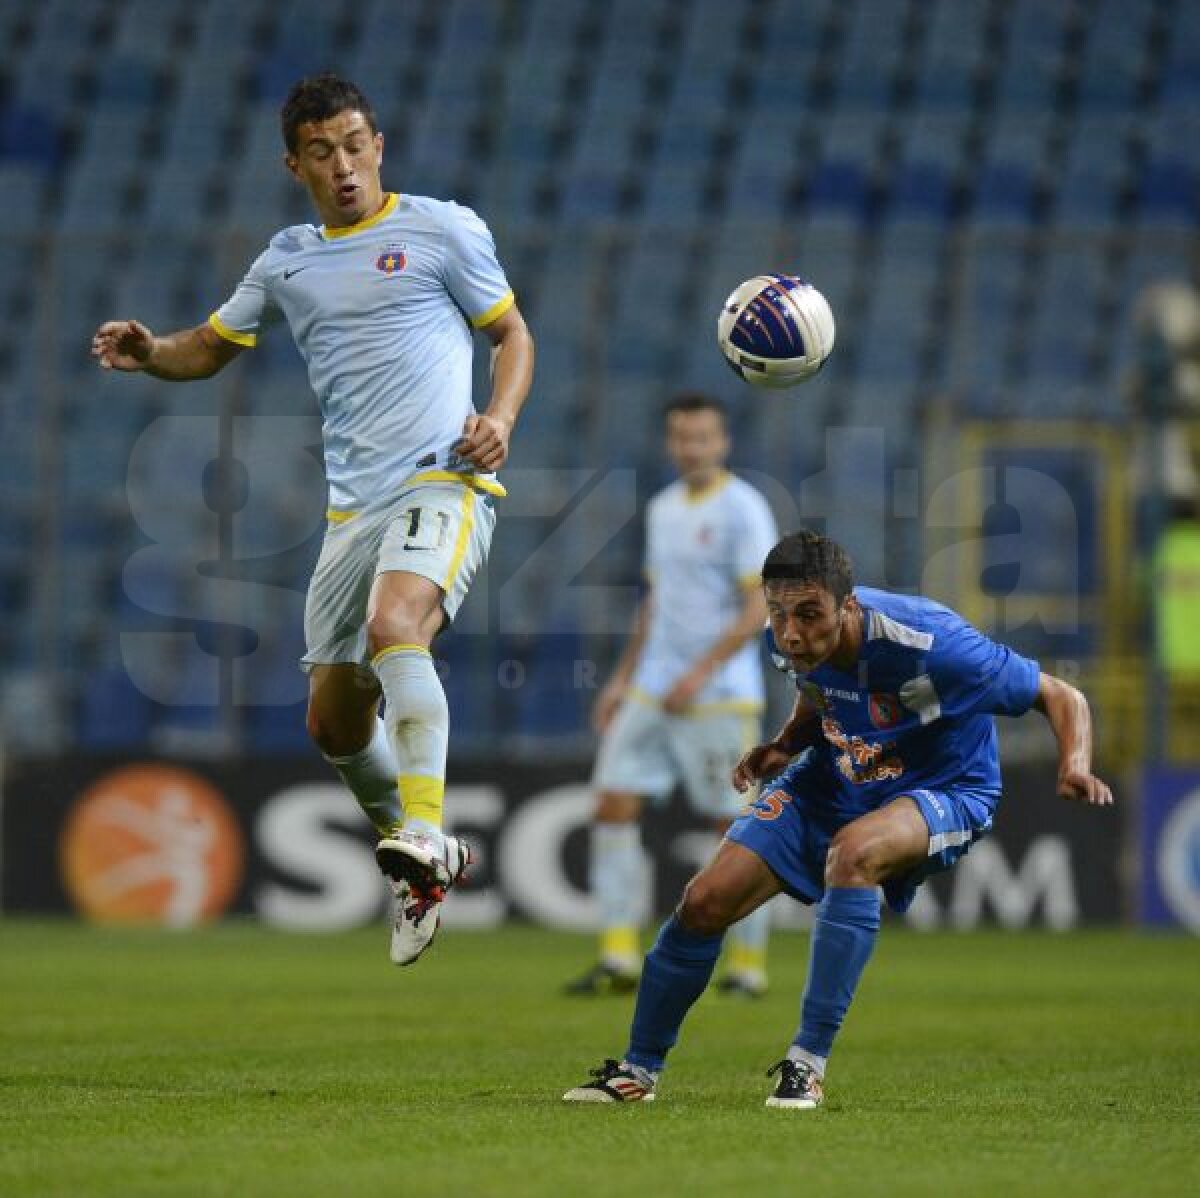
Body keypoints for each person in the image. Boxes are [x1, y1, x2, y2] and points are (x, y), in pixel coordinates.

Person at [90, 74, 535, 966]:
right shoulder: (286, 261)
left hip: (443, 478)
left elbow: (513, 335)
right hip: (352, 510)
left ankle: (427, 827)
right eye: (323, 152)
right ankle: (420, 865)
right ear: (294, 165)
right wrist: (151, 353)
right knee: (333, 724)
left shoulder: (443, 229)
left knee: (396, 624)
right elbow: (208, 348)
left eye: (357, 145)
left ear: (380, 146)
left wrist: (499, 419)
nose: (345, 167)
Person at [563, 529, 1112, 1108]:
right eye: (778, 613)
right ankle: (637, 1071)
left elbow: (1062, 695)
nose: (791, 632)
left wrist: (1074, 765)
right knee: (704, 901)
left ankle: (806, 1065)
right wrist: (786, 744)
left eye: (808, 614)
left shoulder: (934, 644)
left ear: (847, 606)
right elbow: (820, 689)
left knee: (854, 853)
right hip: (836, 776)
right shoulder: (785, 637)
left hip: (945, 788)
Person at [566, 394, 779, 998]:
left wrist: (700, 672)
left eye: (703, 437)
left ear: (723, 441)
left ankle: (746, 966)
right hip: (654, 689)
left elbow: (757, 606)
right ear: (670, 442)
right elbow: (656, 603)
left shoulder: (744, 507)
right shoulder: (662, 508)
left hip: (718, 695)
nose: (691, 448)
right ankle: (618, 955)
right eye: (682, 437)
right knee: (611, 803)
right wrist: (622, 679)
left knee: (735, 827)